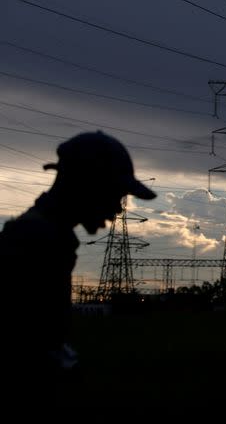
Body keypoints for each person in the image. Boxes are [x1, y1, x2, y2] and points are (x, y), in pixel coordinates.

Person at [0, 131, 156, 398]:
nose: (118, 210)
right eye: (115, 194)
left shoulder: (40, 237)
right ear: (89, 186)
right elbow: (27, 351)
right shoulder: (37, 243)